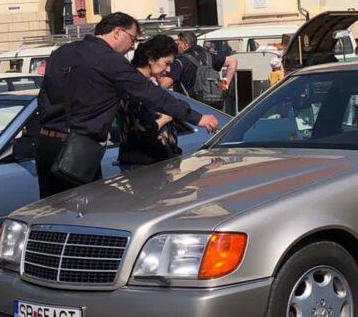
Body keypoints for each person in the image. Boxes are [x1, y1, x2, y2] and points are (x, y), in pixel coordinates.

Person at [35, 12, 220, 197]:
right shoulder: (110, 60)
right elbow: (152, 94)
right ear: (117, 32)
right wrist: (197, 117)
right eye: (132, 39)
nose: (132, 46)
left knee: (50, 212)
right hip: (78, 149)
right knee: (86, 214)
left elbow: (43, 97)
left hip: (45, 143)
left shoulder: (61, 52)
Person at [119, 35, 186, 167]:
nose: (168, 70)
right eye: (166, 63)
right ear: (151, 59)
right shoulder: (137, 89)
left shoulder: (139, 85)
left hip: (151, 161)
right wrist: (165, 119)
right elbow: (142, 130)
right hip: (145, 165)